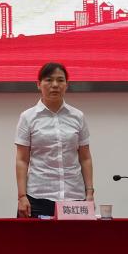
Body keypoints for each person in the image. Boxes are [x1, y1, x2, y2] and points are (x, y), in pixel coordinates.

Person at [15, 62, 93, 218]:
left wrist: (89, 192)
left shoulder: (78, 116)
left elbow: (85, 158)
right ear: (39, 84)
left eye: (60, 80)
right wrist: (22, 196)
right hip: (38, 197)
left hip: (74, 195)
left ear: (66, 85)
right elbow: (22, 160)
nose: (55, 85)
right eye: (49, 80)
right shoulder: (28, 117)